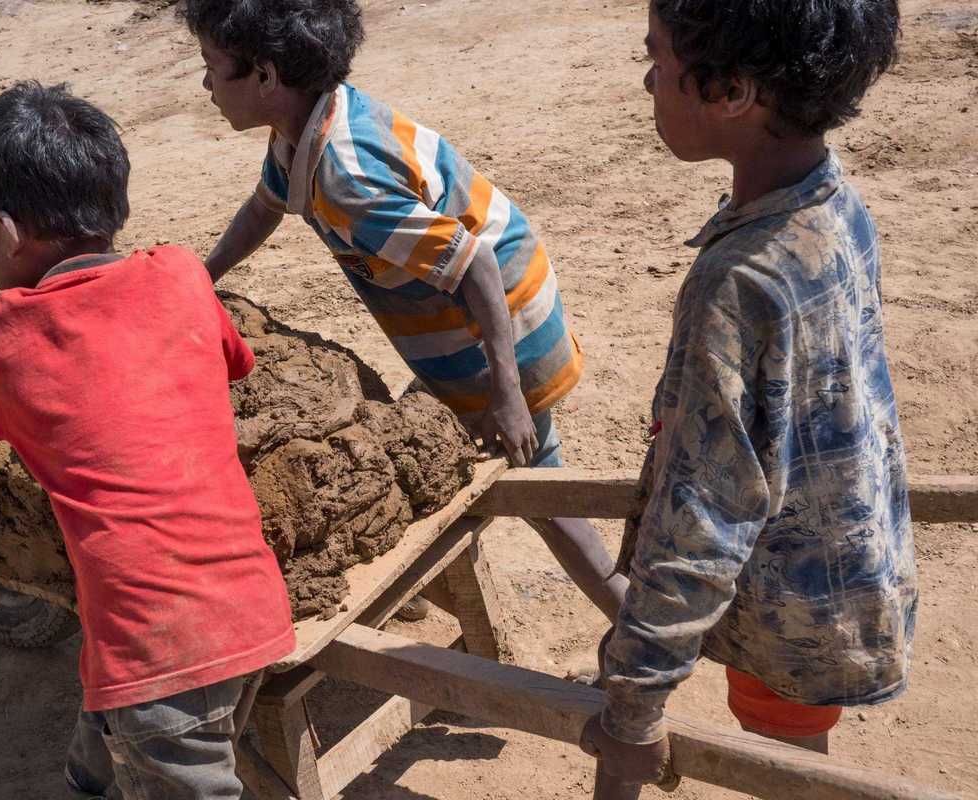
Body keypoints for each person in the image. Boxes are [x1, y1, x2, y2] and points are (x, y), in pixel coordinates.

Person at [180, 0, 629, 622]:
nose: (204, 85)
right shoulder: (307, 128)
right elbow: (264, 208)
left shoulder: (345, 178)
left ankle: (637, 630)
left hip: (501, 329)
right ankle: (429, 597)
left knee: (542, 494)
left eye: (211, 66)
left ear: (264, 75)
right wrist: (202, 278)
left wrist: (506, 393)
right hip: (482, 307)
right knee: (448, 457)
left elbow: (474, 265)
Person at [0, 81, 295, 800]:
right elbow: (234, 362)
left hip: (161, 653)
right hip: (250, 605)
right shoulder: (183, 274)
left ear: (7, 232)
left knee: (162, 740)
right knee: (117, 704)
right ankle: (90, 779)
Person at [577, 0, 916, 795]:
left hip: (783, 598)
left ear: (730, 92)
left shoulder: (738, 282)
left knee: (785, 767)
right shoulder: (835, 203)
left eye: (657, 57)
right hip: (843, 569)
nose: (650, 78)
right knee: (793, 757)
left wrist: (633, 712)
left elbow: (703, 515)